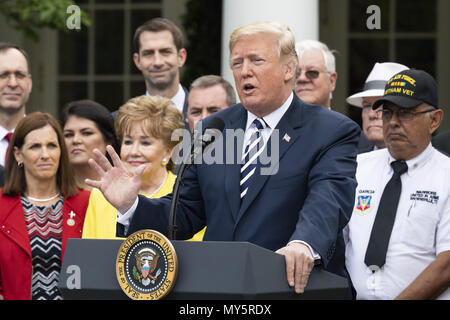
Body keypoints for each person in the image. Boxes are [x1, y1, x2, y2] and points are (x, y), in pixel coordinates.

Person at [86, 21, 361, 294]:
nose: (245, 72)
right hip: (221, 291)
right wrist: (131, 205)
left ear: (289, 69)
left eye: (257, 60)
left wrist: (304, 243)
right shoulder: (212, 129)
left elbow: (329, 199)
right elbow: (183, 213)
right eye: (237, 63)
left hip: (292, 288)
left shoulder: (331, 131)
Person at [344, 69, 450, 299]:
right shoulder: (357, 168)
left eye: (405, 113)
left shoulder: (446, 177)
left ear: (434, 120)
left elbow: (447, 264)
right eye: (387, 113)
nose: (392, 122)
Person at [0, 112, 90, 300]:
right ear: (18, 154)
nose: (45, 155)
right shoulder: (1, 205)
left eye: (51, 146)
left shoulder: (87, 203)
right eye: (35, 146)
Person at [82, 95, 184, 239]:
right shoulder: (101, 194)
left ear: (168, 151)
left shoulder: (185, 193)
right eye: (128, 142)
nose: (134, 152)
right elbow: (90, 254)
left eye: (145, 143)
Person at [132, 17, 188, 118]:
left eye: (165, 52)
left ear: (181, 57)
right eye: (148, 53)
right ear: (137, 61)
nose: (157, 62)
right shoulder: (118, 123)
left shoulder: (208, 116)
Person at [346, 62, 409, 153]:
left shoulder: (432, 157)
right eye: (367, 106)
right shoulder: (350, 154)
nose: (372, 114)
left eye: (382, 106)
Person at [62, 99, 118, 190]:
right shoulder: (52, 194)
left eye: (86, 133)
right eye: (69, 135)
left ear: (108, 140)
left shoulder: (128, 190)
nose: (75, 140)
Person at [0, 43, 33, 166]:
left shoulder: (47, 141)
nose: (13, 83)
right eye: (3, 75)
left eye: (19, 75)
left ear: (29, 83)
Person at [294, 40, 337, 110]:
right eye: (295, 74)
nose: (302, 78)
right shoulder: (275, 121)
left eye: (312, 72)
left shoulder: (343, 121)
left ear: (332, 81)